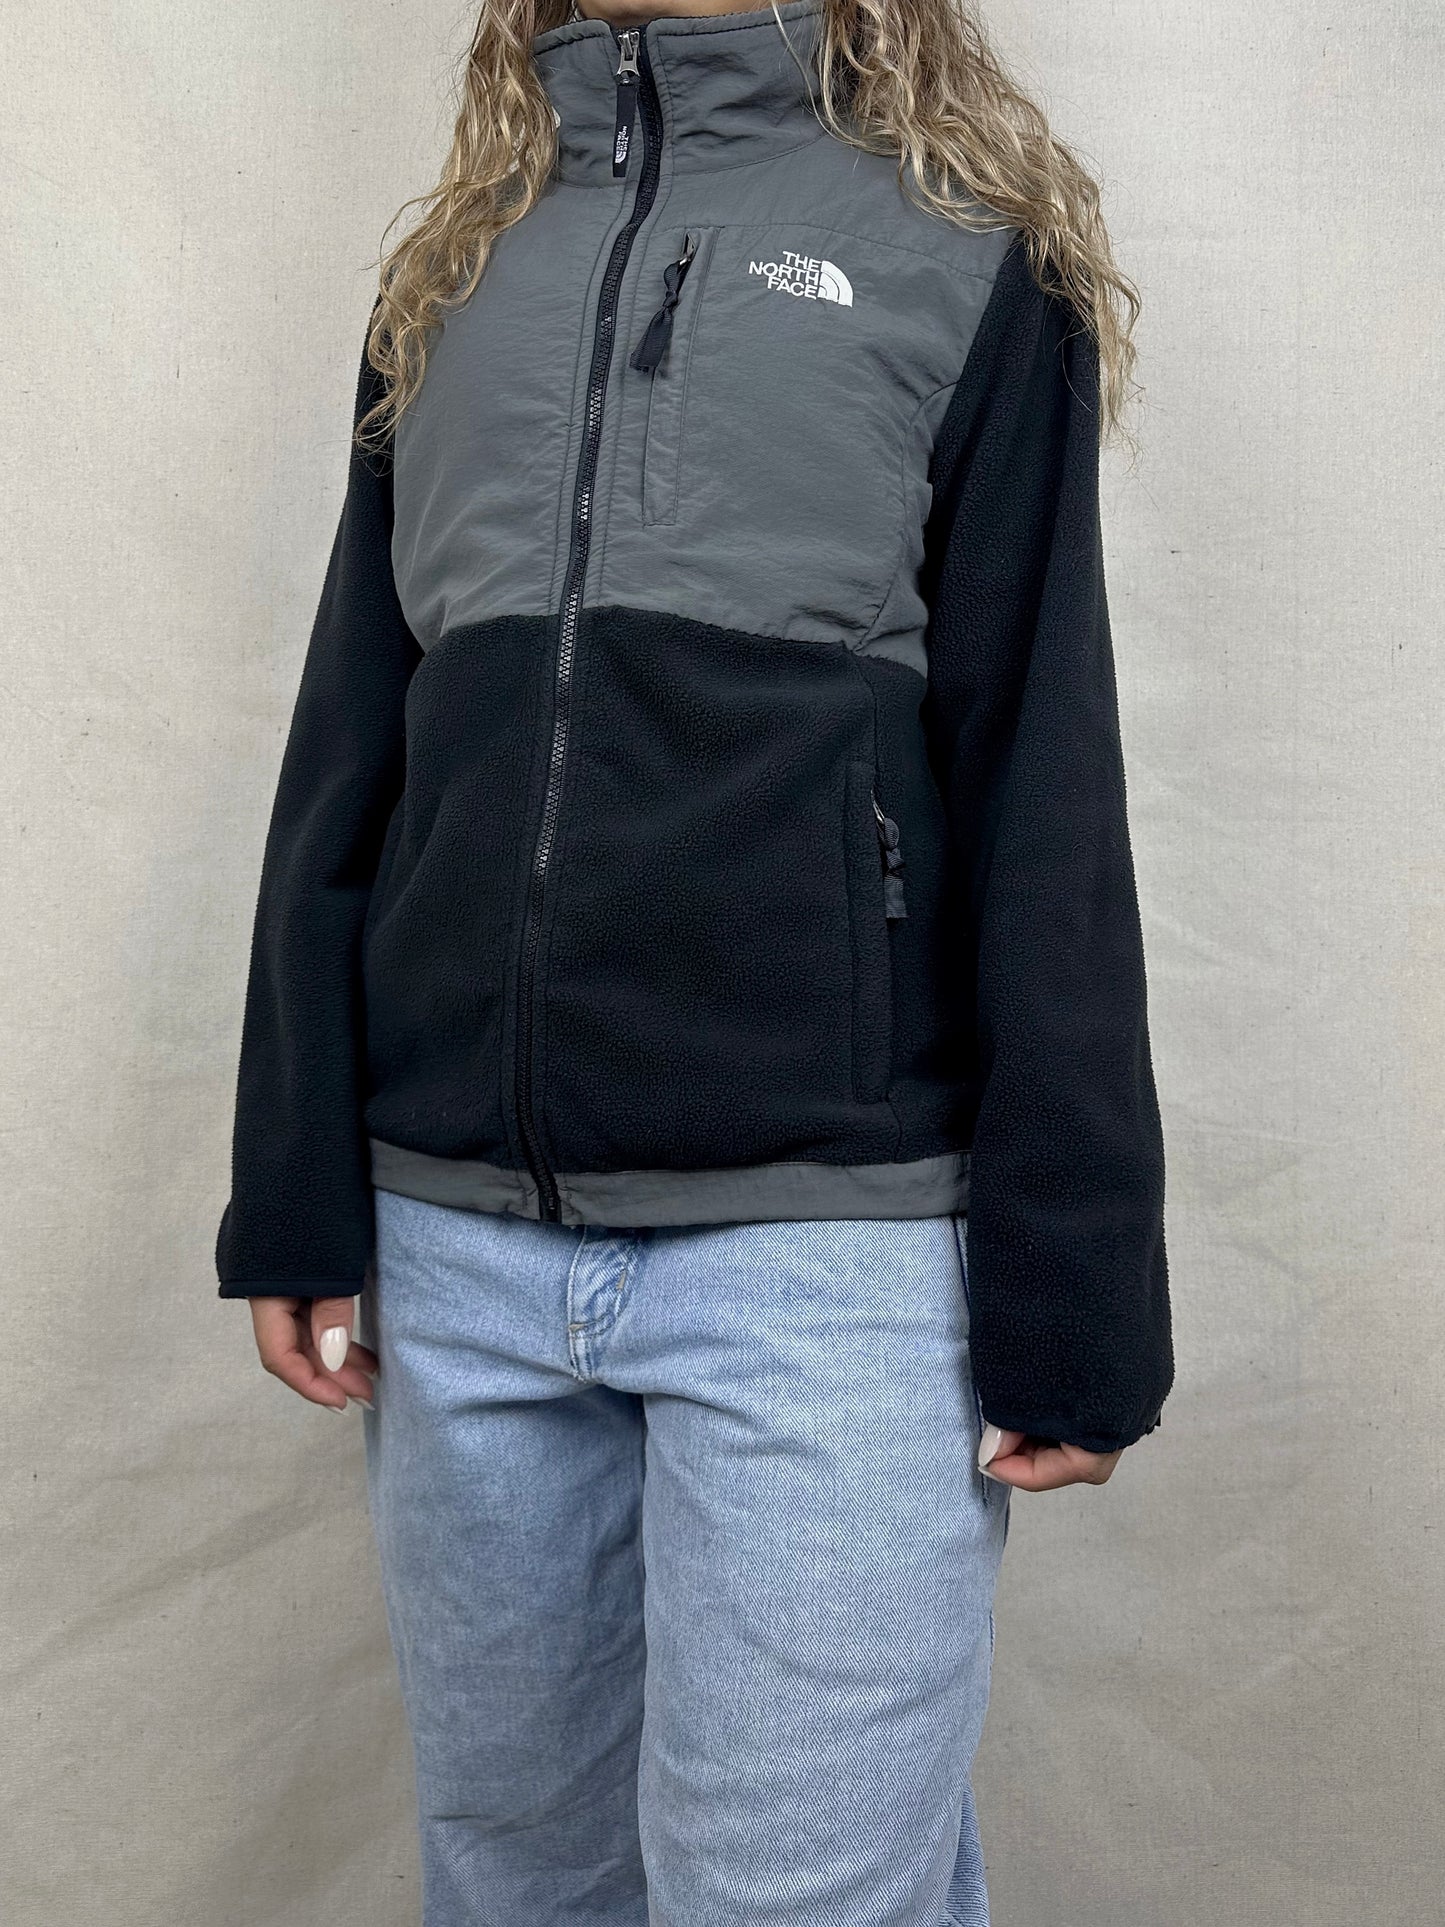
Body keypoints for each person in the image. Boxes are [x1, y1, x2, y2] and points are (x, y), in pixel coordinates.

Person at [214, 0, 1174, 1920]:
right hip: (456, 1247)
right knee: (517, 1881)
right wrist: (295, 1184)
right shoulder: (454, 278)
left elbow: (1039, 768)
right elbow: (354, 745)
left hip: (823, 1254)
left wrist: (1079, 1284)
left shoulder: (959, 253)